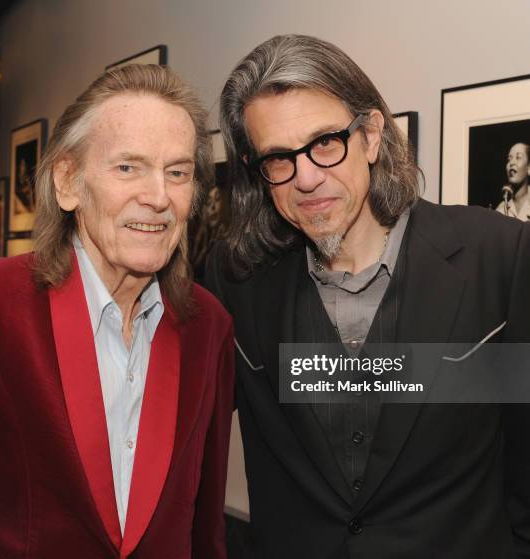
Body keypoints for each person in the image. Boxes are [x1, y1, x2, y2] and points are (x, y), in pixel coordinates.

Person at [206, 34, 530, 558]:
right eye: (279, 159)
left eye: (326, 143)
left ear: (372, 135)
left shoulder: (500, 256)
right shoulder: (237, 280)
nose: (306, 178)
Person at [0, 64, 234, 559]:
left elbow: (205, 530)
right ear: (68, 181)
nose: (157, 198)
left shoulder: (208, 325)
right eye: (128, 167)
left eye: (177, 173)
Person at [496, 142, 530, 220]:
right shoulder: (501, 210)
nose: (511, 163)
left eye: (518, 157)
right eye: (509, 159)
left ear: (529, 167)